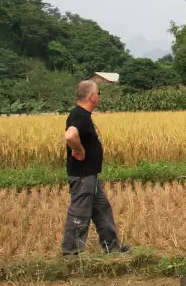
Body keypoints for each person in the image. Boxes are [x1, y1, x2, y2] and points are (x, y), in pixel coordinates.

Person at [61, 80, 129, 257]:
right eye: (98, 93)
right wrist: (80, 151)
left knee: (101, 210)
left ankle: (112, 248)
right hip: (83, 176)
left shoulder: (82, 115)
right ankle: (71, 254)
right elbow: (70, 135)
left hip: (90, 175)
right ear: (91, 97)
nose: (99, 96)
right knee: (80, 213)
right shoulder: (80, 115)